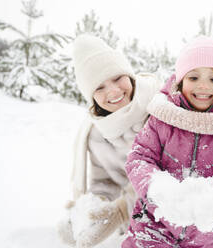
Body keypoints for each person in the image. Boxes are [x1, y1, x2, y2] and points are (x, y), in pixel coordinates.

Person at [122, 36, 213, 247]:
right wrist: (158, 188)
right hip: (155, 222)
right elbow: (139, 157)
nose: (203, 86)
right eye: (193, 78)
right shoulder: (163, 117)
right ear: (180, 81)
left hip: (204, 232)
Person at [57, 34, 162, 247]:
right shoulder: (97, 133)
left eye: (117, 78)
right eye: (99, 87)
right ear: (91, 96)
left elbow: (171, 173)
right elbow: (103, 181)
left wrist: (123, 209)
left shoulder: (160, 109)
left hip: (170, 217)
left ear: (129, 74)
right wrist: (95, 206)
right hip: (130, 224)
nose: (113, 91)